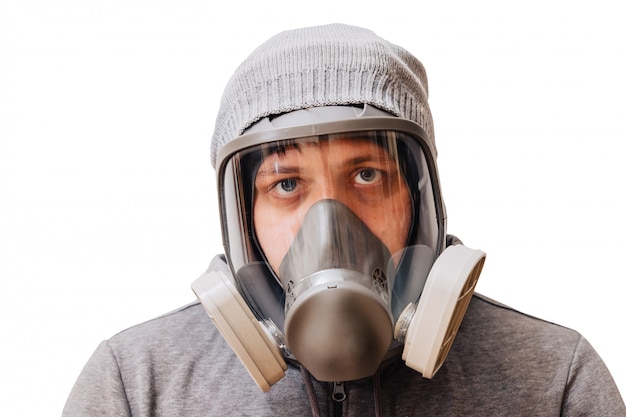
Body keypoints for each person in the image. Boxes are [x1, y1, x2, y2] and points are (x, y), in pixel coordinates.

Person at [62, 23, 626, 416]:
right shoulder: (136, 386)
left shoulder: (553, 382)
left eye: (366, 176)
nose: (329, 225)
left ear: (420, 195)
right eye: (287, 185)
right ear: (243, 214)